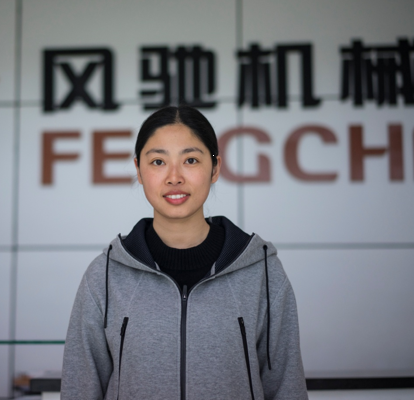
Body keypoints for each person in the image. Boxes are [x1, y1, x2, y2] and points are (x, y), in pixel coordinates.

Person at [61, 105, 307, 400]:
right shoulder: (105, 275)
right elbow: (80, 389)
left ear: (215, 168)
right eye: (158, 162)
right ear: (138, 170)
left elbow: (286, 387)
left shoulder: (262, 272)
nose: (174, 177)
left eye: (190, 160)